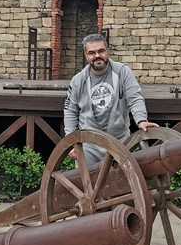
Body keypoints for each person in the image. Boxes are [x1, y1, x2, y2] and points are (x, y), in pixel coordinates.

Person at [63, 33, 158, 166]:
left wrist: (141, 120)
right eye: (92, 53)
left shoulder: (123, 72)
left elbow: (135, 97)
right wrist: (71, 141)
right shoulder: (78, 80)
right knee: (87, 185)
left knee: (123, 183)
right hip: (89, 145)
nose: (97, 56)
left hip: (119, 141)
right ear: (86, 56)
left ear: (107, 51)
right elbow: (70, 110)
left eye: (101, 51)